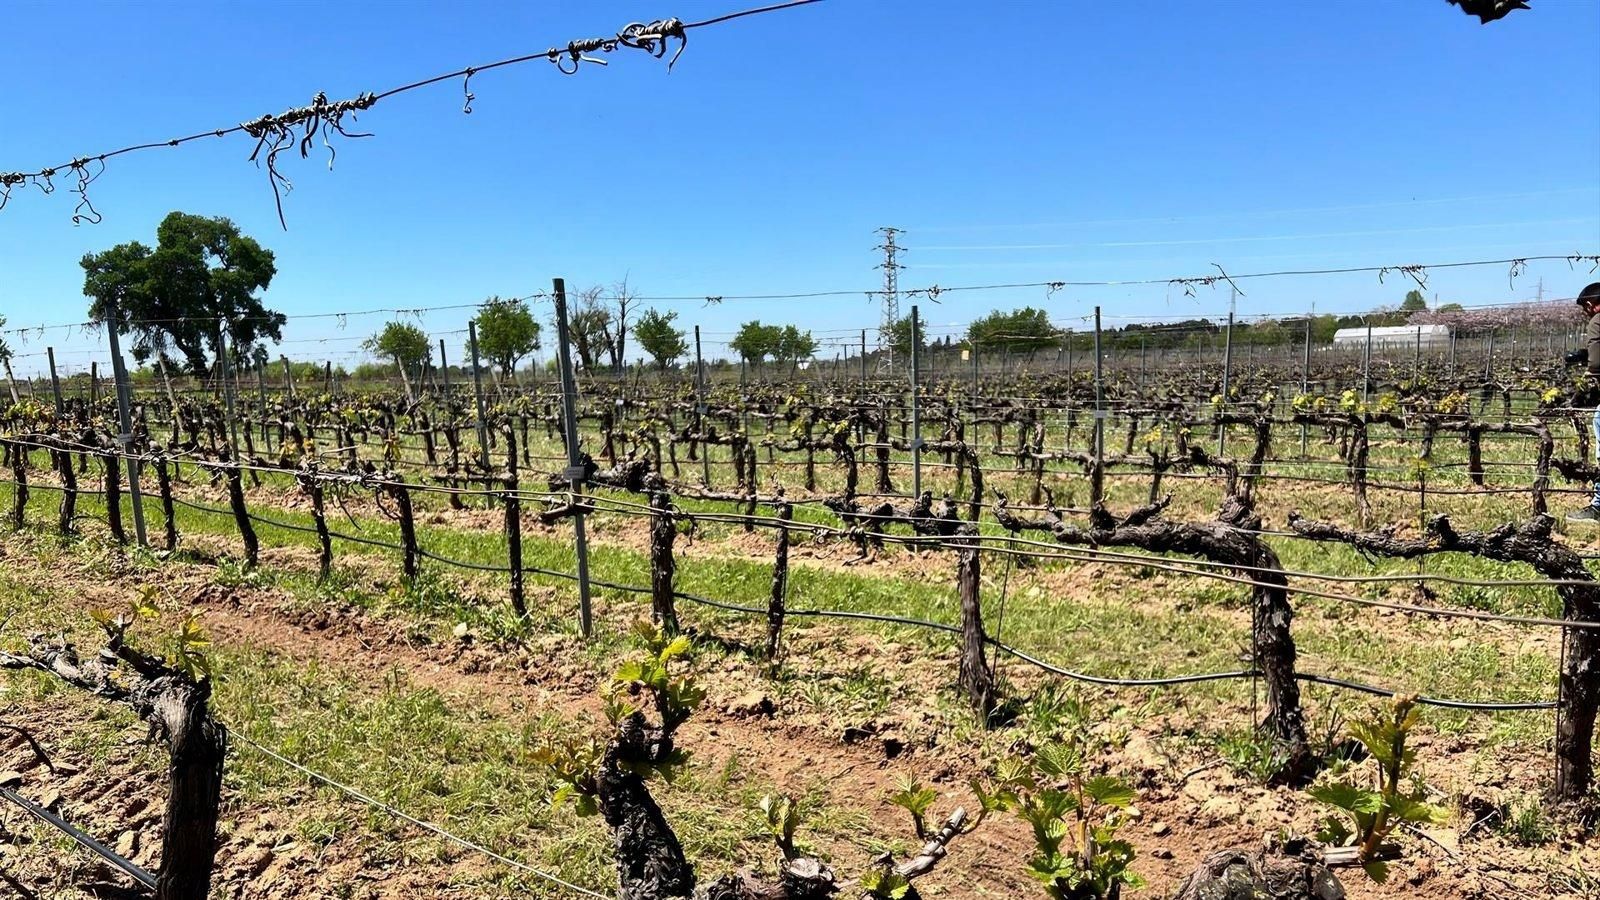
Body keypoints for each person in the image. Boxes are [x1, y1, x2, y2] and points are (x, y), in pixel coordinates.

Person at [1564, 281, 1600, 522]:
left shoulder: (1598, 320)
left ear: (1590, 304)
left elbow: (1597, 363)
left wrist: (1590, 374)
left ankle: (1599, 506)